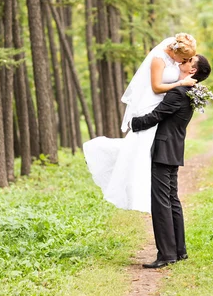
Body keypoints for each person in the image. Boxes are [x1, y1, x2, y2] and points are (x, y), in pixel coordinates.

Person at [83, 33, 197, 213]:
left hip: (163, 102)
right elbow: (156, 87)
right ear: (175, 52)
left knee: (142, 149)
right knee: (139, 146)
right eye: (183, 58)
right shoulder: (159, 58)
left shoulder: (173, 55)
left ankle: (144, 190)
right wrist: (181, 83)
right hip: (152, 101)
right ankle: (99, 150)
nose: (183, 62)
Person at [130, 54, 212, 268]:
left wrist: (133, 122)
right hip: (174, 148)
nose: (183, 61)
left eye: (188, 61)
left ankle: (166, 254)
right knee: (172, 199)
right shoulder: (189, 91)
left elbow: (157, 116)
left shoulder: (178, 92)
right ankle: (178, 251)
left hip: (164, 149)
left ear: (192, 70)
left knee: (161, 202)